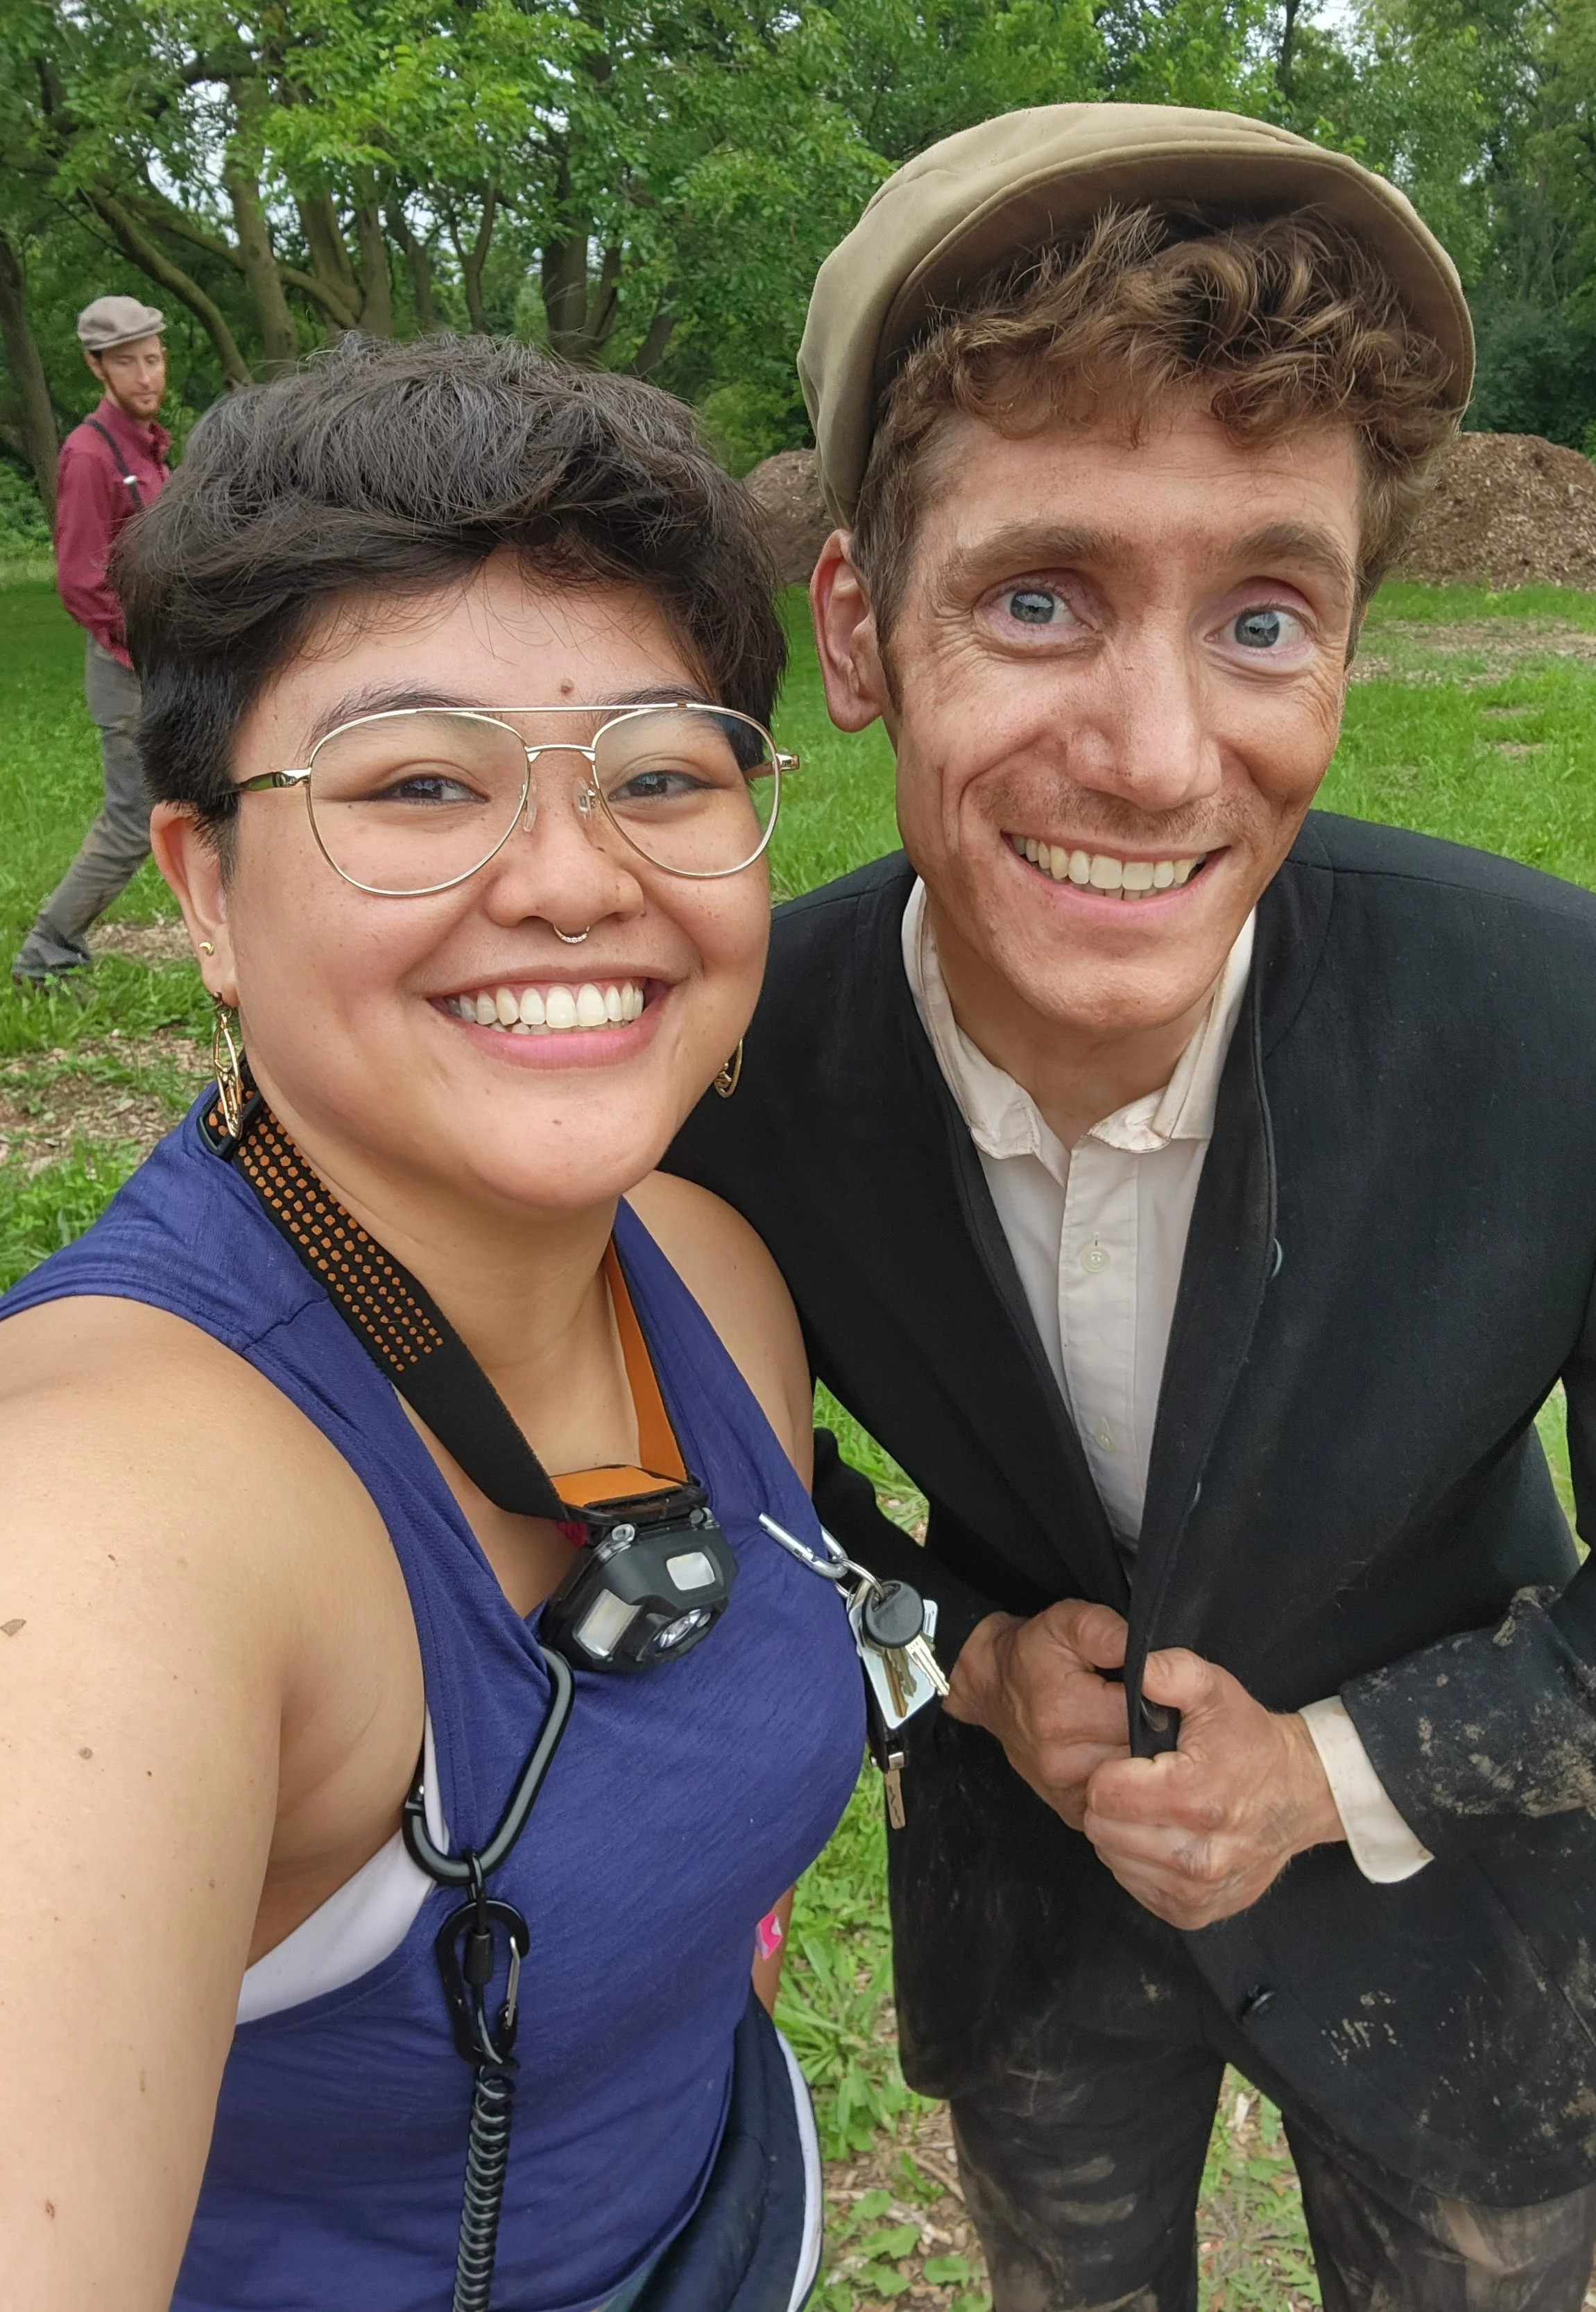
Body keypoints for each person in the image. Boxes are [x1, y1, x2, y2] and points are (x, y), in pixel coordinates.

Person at [670, 103, 1596, 2310]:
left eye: (1261, 615)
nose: (1157, 755)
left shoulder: (1590, 1031)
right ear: (858, 633)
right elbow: (717, 1505)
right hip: (1029, 1932)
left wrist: (1328, 1769)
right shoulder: (725, 1061)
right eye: (1037, 595)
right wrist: (954, 1663)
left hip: (1463, 1951)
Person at [0, 335, 863, 2311]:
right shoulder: (96, 1528)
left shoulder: (709, 1278)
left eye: (659, 771)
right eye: (413, 781)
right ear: (203, 886)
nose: (569, 875)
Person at [12, 293, 174, 984]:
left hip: (169, 653)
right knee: (134, 817)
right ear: (96, 368)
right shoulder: (89, 454)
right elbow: (83, 582)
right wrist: (146, 654)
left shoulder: (151, 446)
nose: (146, 375)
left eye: (154, 358)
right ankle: (46, 951)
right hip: (129, 667)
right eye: (128, 363)